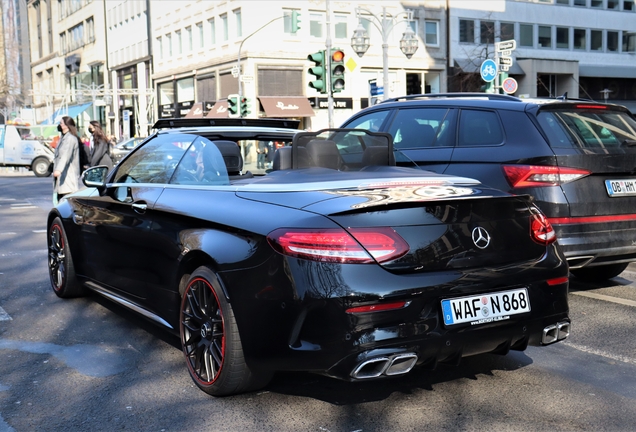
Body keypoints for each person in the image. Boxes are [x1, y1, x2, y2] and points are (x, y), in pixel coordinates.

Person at [52, 116, 81, 202]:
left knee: (66, 205)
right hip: (62, 178)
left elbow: (65, 156)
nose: (59, 125)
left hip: (68, 178)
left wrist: (58, 170)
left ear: (66, 125)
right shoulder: (63, 138)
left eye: (61, 123)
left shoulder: (70, 139)